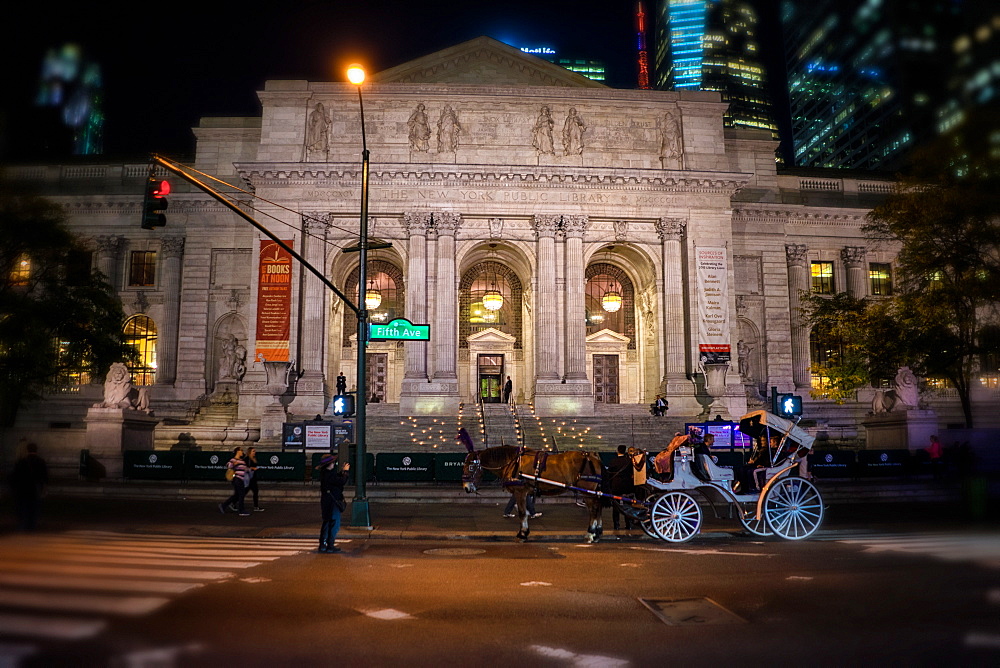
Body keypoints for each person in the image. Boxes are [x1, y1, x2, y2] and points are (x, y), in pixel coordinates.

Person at [8, 442, 48, 531]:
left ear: (27, 450)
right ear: (36, 450)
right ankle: (32, 525)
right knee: (34, 506)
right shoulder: (41, 461)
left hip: (23, 487)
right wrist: (44, 487)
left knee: (23, 505)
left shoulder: (21, 461)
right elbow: (45, 476)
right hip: (36, 486)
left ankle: (23, 525)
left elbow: (15, 475)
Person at [317, 452, 350, 553]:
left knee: (327, 522)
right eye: (333, 463)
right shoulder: (329, 475)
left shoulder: (326, 473)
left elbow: (336, 479)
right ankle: (330, 545)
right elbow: (341, 481)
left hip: (327, 501)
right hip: (333, 502)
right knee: (334, 523)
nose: (334, 464)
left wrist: (342, 472)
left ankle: (323, 544)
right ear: (329, 464)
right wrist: (345, 472)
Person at [607, 445, 635, 530]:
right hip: (627, 486)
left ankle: (616, 525)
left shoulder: (613, 461)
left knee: (616, 507)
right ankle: (629, 524)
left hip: (616, 486)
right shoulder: (629, 461)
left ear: (617, 451)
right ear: (625, 451)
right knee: (628, 506)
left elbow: (609, 474)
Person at [219, 446, 250, 516]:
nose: (242, 452)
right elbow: (228, 465)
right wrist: (233, 464)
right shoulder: (234, 460)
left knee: (237, 495)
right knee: (241, 495)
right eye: (241, 450)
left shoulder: (242, 460)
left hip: (241, 479)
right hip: (237, 479)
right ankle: (241, 510)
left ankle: (224, 505)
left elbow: (245, 469)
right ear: (238, 451)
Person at [243, 446, 264, 512]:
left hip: (253, 477)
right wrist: (252, 468)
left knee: (254, 492)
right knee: (245, 492)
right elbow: (245, 468)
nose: (255, 452)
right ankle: (255, 506)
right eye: (253, 451)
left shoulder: (253, 459)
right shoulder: (247, 459)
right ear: (250, 452)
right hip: (249, 478)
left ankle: (256, 506)